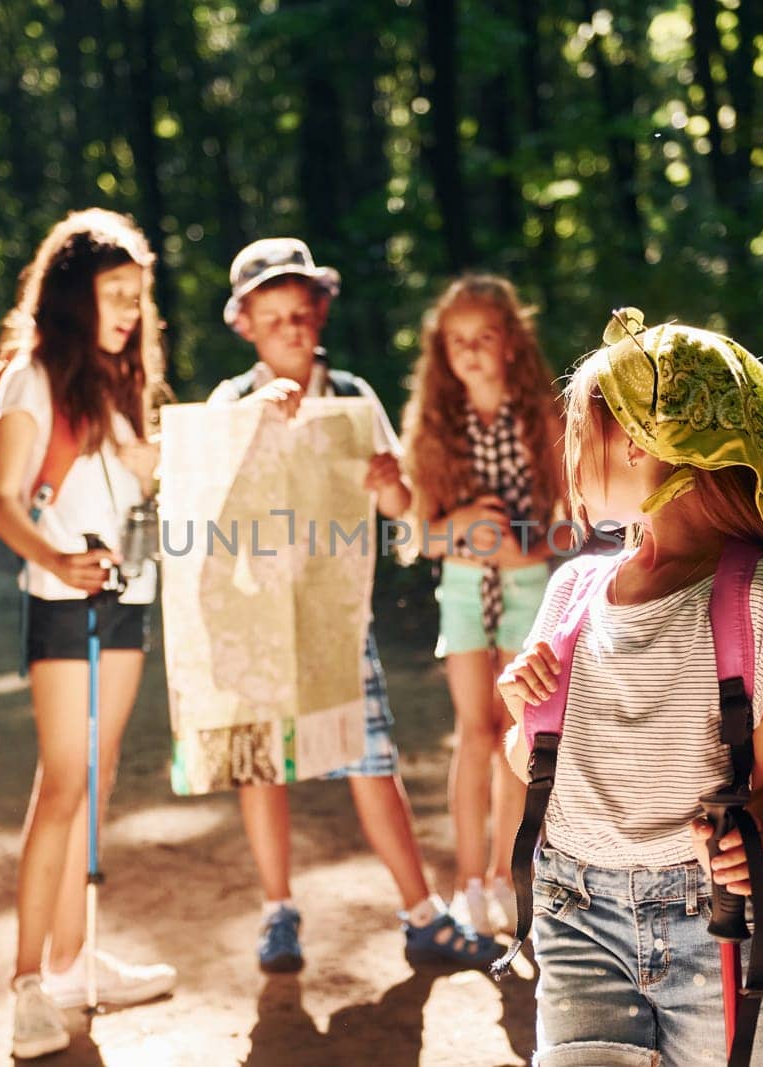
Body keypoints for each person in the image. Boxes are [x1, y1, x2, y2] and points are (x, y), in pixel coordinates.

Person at [497, 312, 763, 1066]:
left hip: (714, 924)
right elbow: (532, 765)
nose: (567, 457)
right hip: (573, 916)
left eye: (582, 434)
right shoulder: (574, 592)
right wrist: (521, 715)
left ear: (640, 439)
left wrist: (755, 844)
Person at [206, 237, 503, 973]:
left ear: (319, 310)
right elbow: (207, 511)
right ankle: (278, 911)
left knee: (371, 760)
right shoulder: (229, 405)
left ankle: (422, 915)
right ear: (244, 323)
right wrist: (255, 438)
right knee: (261, 767)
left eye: (299, 311)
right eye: (270, 314)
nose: (289, 326)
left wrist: (388, 486)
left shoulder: (353, 397)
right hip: (257, 617)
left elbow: (405, 513)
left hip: (338, 615)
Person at [0, 209, 177, 1060]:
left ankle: (71, 961)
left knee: (94, 783)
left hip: (127, 598)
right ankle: (28, 983)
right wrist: (59, 562)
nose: (132, 310)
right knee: (61, 785)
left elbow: (152, 481)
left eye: (139, 295)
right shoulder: (33, 378)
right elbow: (0, 500)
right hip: (62, 600)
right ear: (74, 294)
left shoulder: (123, 381)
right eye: (116, 293)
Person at [399, 275, 565, 937]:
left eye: (484, 338)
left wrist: (532, 551)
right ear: (442, 351)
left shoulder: (543, 419)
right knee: (472, 732)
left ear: (512, 345)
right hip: (466, 589)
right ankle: (469, 884)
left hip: (527, 588)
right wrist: (463, 520)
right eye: (456, 341)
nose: (469, 352)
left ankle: (506, 876)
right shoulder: (434, 427)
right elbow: (415, 537)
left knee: (515, 735)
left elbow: (577, 521)